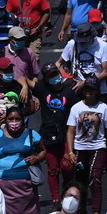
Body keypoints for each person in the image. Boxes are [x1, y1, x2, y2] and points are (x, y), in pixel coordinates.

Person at [65, 79, 107, 214]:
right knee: (80, 182)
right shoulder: (76, 108)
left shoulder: (103, 108)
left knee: (95, 179)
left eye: (92, 89)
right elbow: (70, 131)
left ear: (97, 91)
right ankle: (81, 211)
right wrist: (70, 151)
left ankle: (96, 213)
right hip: (80, 149)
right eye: (86, 88)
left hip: (98, 147)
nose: (88, 91)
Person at [33, 64, 78, 204]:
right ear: (45, 78)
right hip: (48, 136)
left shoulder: (69, 93)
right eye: (50, 75)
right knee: (53, 169)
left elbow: (77, 113)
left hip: (65, 136)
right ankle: (55, 199)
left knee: (67, 166)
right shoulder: (42, 89)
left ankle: (67, 190)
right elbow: (23, 79)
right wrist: (23, 87)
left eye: (55, 74)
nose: (54, 77)